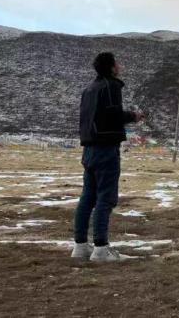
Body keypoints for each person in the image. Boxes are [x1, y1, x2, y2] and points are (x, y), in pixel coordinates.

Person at [72, 52, 144, 261]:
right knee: (106, 198)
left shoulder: (89, 89)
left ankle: (80, 246)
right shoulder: (111, 86)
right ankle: (101, 248)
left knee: (87, 198)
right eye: (117, 63)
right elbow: (112, 115)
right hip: (106, 149)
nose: (120, 66)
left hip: (89, 149)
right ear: (111, 67)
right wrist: (133, 116)